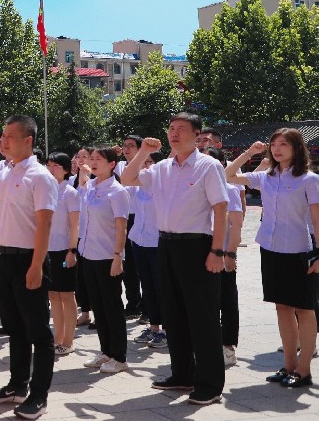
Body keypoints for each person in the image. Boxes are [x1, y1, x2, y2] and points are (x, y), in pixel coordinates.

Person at [121, 113, 228, 405]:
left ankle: (210, 384)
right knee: (173, 313)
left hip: (197, 246)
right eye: (171, 128)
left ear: (197, 134)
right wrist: (144, 151)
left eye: (181, 129)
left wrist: (218, 251)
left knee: (202, 316)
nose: (174, 133)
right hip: (165, 245)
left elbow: (221, 209)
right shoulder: (161, 168)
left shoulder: (208, 166)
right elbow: (127, 178)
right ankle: (182, 374)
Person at [0, 115, 57, 421]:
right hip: (3, 258)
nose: (3, 140)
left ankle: (39, 395)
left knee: (38, 332)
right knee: (15, 328)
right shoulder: (5, 171)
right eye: (2, 135)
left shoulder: (40, 176)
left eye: (9, 136)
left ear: (28, 140)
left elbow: (45, 224)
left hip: (28, 259)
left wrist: (36, 266)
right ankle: (17, 385)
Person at [226, 129, 319, 388]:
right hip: (270, 248)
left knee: (304, 309)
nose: (277, 149)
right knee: (282, 307)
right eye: (274, 144)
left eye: (283, 144)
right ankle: (288, 365)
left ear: (297, 148)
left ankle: (304, 369)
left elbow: (317, 219)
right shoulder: (266, 177)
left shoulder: (309, 180)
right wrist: (249, 153)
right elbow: (228, 176)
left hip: (300, 250)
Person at [77, 147, 131, 374]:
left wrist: (118, 256)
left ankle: (119, 356)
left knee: (112, 307)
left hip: (108, 256)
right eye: (92, 158)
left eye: (98, 159)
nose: (93, 162)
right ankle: (106, 351)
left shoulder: (117, 191)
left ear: (112, 164)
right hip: (88, 254)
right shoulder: (90, 186)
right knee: (98, 307)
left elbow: (121, 227)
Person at [203, 147, 244, 368]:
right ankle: (207, 344)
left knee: (226, 300)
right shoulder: (196, 188)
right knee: (204, 300)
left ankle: (228, 346)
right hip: (200, 251)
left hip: (222, 252)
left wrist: (230, 254)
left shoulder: (230, 190)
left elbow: (235, 226)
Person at [128, 152, 168, 350]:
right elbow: (125, 178)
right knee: (148, 286)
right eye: (143, 162)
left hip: (158, 242)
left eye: (149, 162)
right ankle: (153, 327)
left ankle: (167, 330)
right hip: (139, 240)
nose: (145, 166)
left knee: (162, 287)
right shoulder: (136, 187)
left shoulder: (163, 186)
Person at [44, 152, 80, 356]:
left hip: (64, 250)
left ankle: (68, 340)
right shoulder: (45, 190)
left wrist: (71, 251)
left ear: (66, 169)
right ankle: (57, 338)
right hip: (47, 249)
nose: (50, 169)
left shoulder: (70, 193)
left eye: (55, 165)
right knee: (53, 295)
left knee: (66, 294)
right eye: (48, 165)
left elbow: (75, 225)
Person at [117, 136, 144, 319]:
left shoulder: (145, 166)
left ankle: (146, 306)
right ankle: (132, 303)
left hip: (139, 218)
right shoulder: (119, 166)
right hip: (122, 218)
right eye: (125, 146)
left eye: (131, 146)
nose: (126, 149)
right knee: (127, 264)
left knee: (140, 264)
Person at [73, 147, 96, 330]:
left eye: (85, 156)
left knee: (96, 277)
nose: (81, 159)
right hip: (78, 234)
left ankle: (99, 313)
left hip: (94, 234)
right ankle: (85, 312)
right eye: (78, 156)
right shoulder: (72, 179)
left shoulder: (98, 179)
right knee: (81, 277)